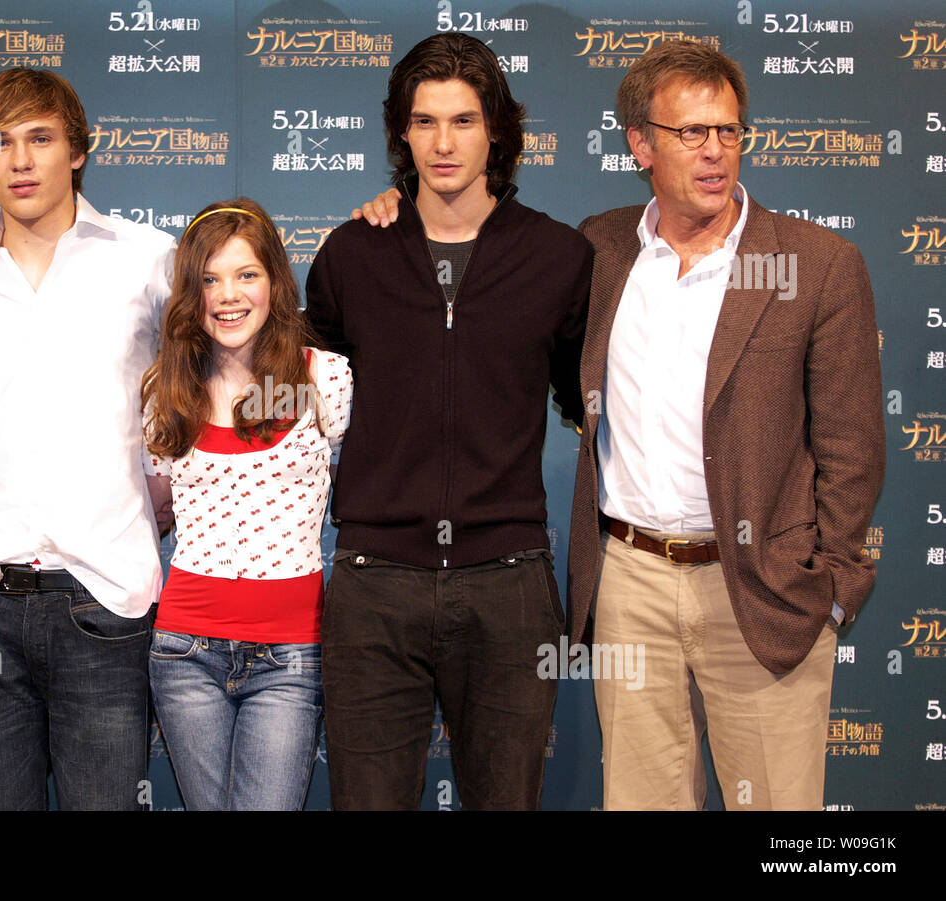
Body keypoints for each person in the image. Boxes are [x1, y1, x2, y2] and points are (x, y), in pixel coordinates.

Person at [566, 41, 884, 809]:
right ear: (640, 144)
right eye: (690, 133)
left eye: (730, 131)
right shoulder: (600, 249)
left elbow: (853, 445)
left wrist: (832, 588)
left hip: (765, 589)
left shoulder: (816, 262)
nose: (715, 152)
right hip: (629, 581)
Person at [304, 32, 592, 810]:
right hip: (374, 584)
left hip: (509, 584)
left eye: (463, 120)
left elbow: (585, 394)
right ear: (400, 130)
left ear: (496, 128)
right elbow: (301, 394)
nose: (443, 142)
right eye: (425, 121)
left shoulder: (559, 258)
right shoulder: (351, 254)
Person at [0, 67, 174, 810]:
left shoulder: (149, 260)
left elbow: (204, 396)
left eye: (41, 137)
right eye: (0, 141)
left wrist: (165, 491)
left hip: (106, 603)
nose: (21, 159)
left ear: (79, 149)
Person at [141, 198, 353, 810]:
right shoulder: (166, 389)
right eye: (209, 279)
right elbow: (154, 512)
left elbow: (352, 493)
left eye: (246, 275)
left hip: (292, 652)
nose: (227, 295)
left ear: (274, 283)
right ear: (190, 293)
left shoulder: (325, 379)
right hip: (185, 651)